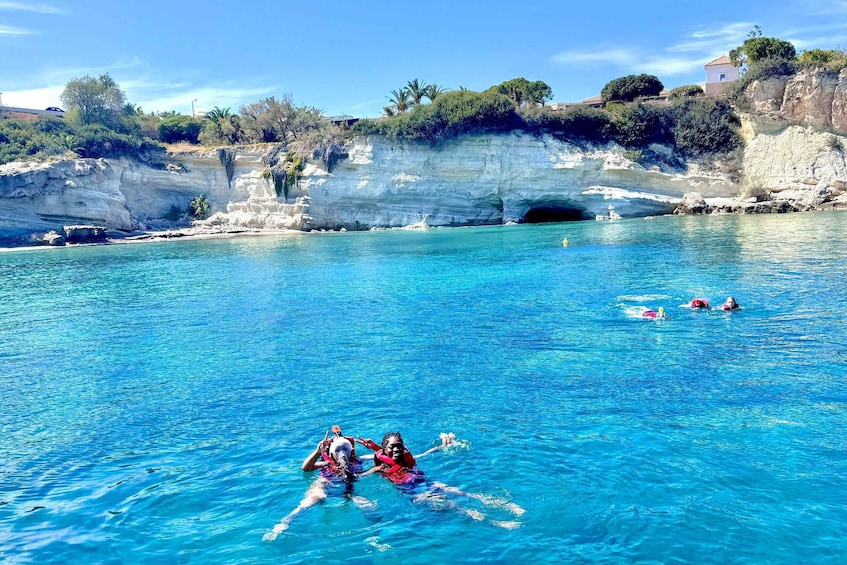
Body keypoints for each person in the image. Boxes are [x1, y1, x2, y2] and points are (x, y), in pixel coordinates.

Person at [355, 432, 525, 529]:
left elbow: (426, 453)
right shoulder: (380, 467)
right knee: (453, 505)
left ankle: (508, 506)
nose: (397, 449)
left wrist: (443, 446)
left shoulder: (407, 459)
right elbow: (359, 475)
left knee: (460, 492)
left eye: (399, 445)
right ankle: (496, 522)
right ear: (385, 449)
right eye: (393, 446)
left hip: (426, 482)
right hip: (414, 493)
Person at [263, 426, 373, 541]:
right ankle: (282, 526)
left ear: (351, 450)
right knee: (304, 505)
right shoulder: (325, 464)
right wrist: (317, 452)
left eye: (345, 449)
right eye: (337, 450)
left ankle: (374, 534)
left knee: (367, 505)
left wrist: (374, 448)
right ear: (330, 454)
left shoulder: (358, 460)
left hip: (348, 491)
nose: (342, 453)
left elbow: (382, 456)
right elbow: (305, 468)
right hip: (323, 489)